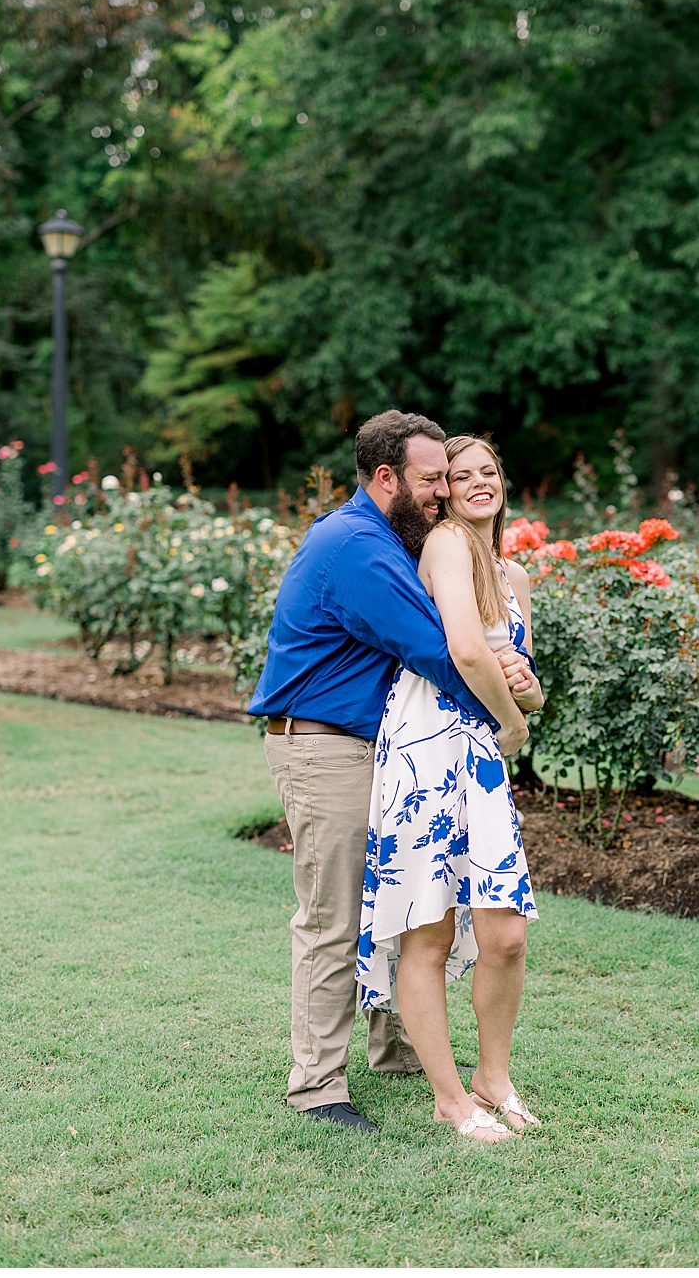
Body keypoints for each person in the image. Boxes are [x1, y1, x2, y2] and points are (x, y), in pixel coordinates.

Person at [250, 411, 532, 1133]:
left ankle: (397, 1049)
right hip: (324, 746)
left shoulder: (392, 540)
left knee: (398, 903)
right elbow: (437, 651)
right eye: (432, 478)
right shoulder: (356, 545)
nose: (442, 492)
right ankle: (316, 1085)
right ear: (387, 479)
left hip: (377, 745)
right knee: (335, 917)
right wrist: (511, 705)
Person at [356, 434, 545, 1143]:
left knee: (507, 933)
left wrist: (528, 695)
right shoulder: (444, 546)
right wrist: (514, 723)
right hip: (427, 748)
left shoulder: (516, 576)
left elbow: (529, 687)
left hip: (482, 757)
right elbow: (466, 650)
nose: (474, 484)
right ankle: (448, 1098)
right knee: (428, 932)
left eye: (487, 472)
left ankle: (493, 1076)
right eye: (459, 475)